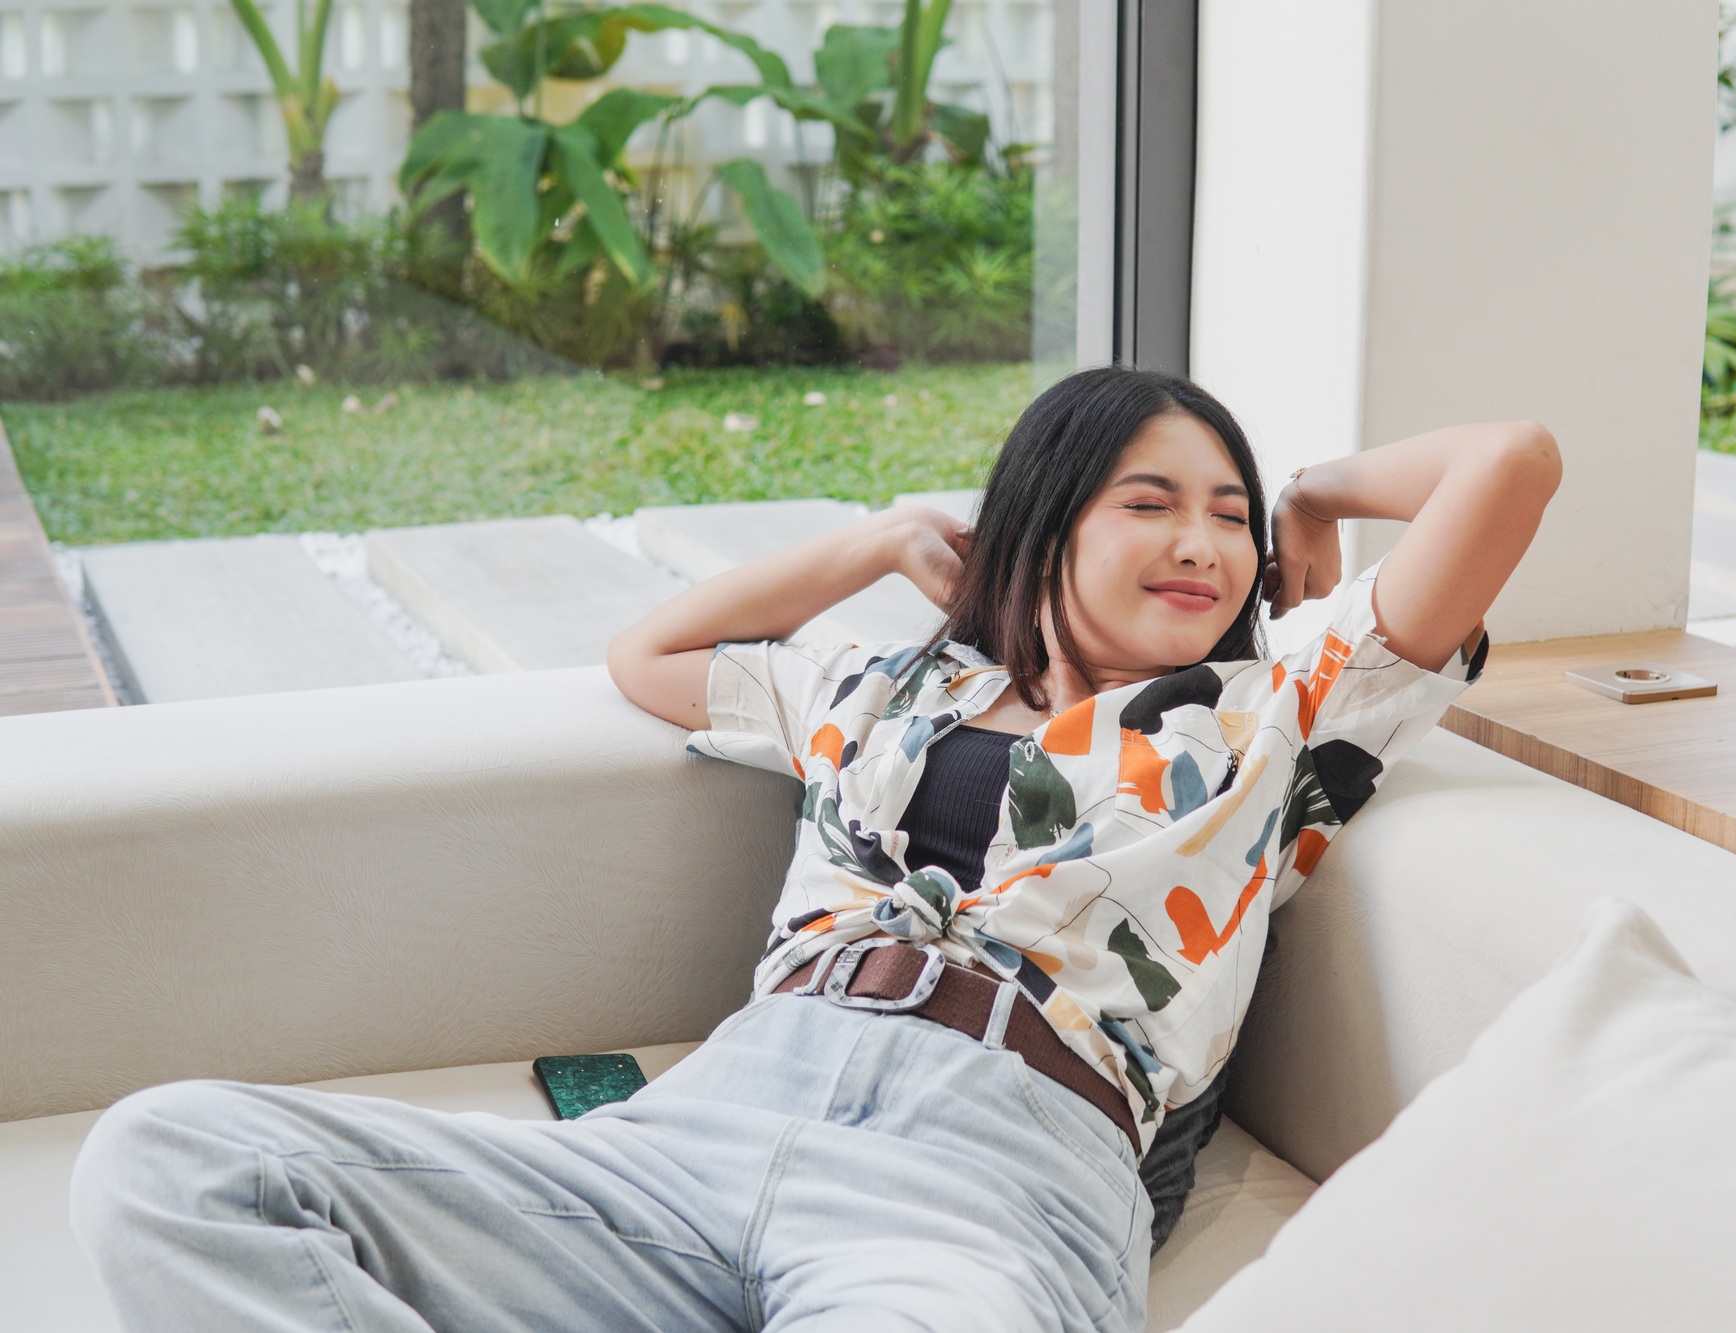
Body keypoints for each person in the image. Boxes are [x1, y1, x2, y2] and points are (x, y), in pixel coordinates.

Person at [71, 366, 1559, 1332]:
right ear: (1040, 519)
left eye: (1228, 518)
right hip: (711, 1124)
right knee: (177, 1156)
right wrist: (880, 539)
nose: (1207, 544)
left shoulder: (1277, 705)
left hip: (992, 1172)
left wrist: (1311, 492)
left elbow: (1514, 456)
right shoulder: (880, 690)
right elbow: (649, 646)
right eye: (1151, 502)